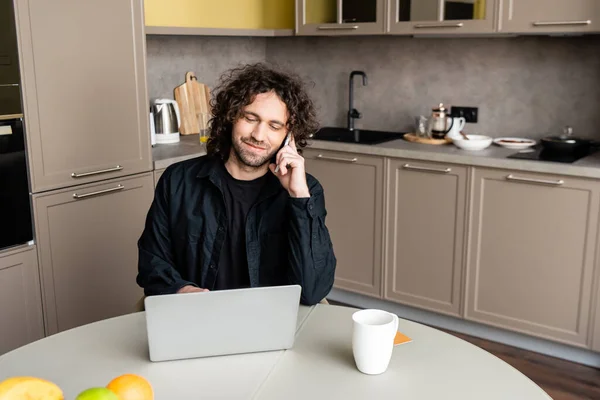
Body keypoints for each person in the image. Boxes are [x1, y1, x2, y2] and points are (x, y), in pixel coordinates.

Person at [136, 63, 336, 306]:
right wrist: (181, 291)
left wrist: (299, 196)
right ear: (231, 116)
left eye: (274, 126)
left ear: (288, 135)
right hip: (197, 319)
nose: (259, 135)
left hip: (270, 322)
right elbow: (152, 264)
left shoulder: (306, 190)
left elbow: (312, 292)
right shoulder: (177, 181)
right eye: (250, 118)